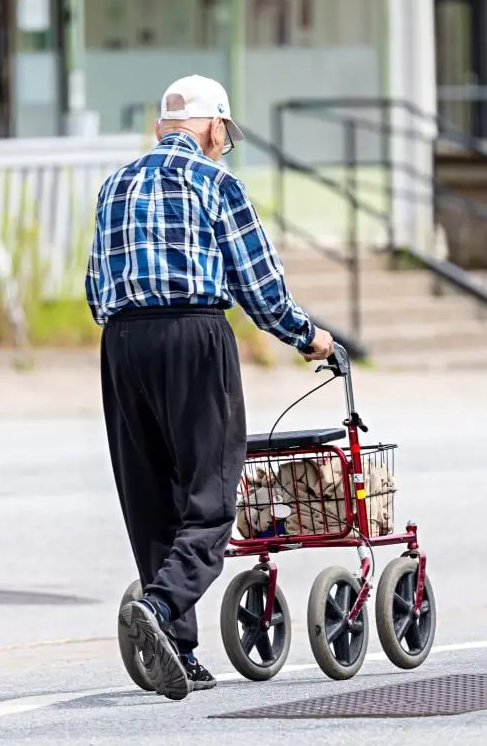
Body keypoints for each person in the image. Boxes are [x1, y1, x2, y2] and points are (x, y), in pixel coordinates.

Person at [86, 74, 335, 701]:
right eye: (227, 137)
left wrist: (129, 329)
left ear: (161, 127)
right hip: (194, 335)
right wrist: (308, 337)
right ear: (215, 128)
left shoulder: (114, 184)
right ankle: (164, 605)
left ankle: (179, 647)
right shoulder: (217, 183)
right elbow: (259, 284)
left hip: (121, 341)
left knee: (149, 495)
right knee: (211, 490)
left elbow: (95, 286)